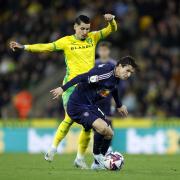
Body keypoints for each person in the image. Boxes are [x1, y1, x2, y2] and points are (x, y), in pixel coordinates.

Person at [9, 14, 117, 168]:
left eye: (87, 29)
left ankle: (79, 158)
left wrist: (111, 20)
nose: (85, 32)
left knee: (88, 125)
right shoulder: (66, 41)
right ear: (75, 27)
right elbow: (46, 47)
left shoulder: (93, 38)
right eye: (82, 29)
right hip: (70, 87)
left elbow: (112, 29)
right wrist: (24, 47)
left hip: (88, 88)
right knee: (70, 117)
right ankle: (53, 148)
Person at [50, 56, 138, 170]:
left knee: (110, 133)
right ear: (120, 66)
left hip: (90, 106)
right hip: (77, 105)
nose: (129, 74)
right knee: (101, 128)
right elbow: (81, 77)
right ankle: (97, 155)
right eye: (128, 70)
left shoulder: (115, 77)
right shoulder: (104, 73)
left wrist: (119, 105)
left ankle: (96, 165)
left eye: (131, 72)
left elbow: (114, 89)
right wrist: (63, 88)